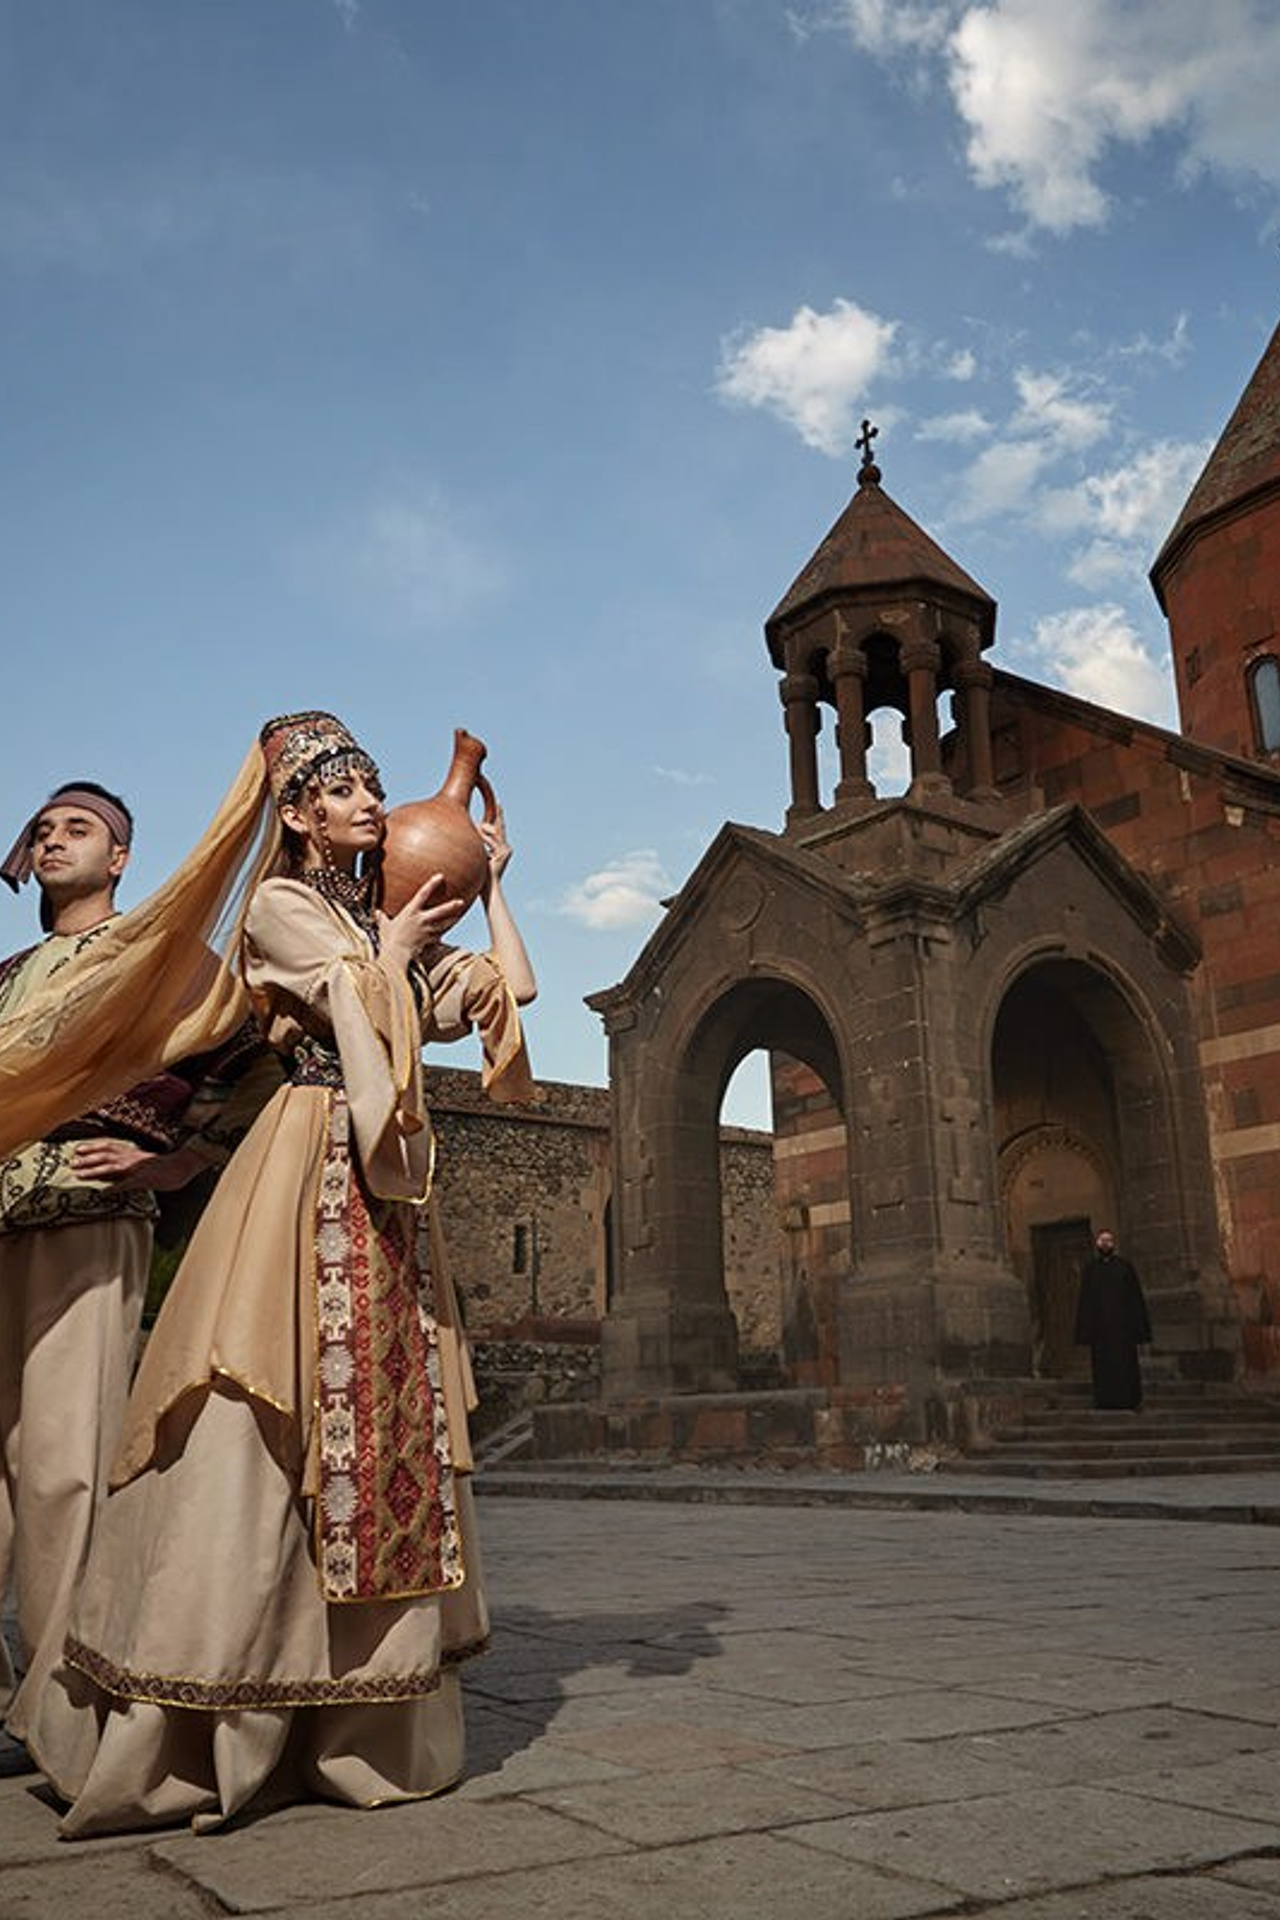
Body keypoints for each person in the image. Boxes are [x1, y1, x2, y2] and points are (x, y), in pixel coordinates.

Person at [22, 711, 536, 1837]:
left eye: (372, 786)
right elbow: (357, 1007)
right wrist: (392, 963)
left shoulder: (373, 911)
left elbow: (500, 996)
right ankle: (219, 1717)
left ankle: (354, 1722)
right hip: (306, 1162)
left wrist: (491, 887)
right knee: (264, 1422)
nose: (368, 801)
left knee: (376, 1425)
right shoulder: (281, 906)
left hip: (385, 1184)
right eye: (343, 788)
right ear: (297, 813)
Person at [0, 784, 264, 1763]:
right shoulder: (10, 976)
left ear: (119, 860)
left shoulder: (162, 963)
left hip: (88, 1212)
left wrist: (178, 1161)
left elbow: (267, 1055)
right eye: (42, 830)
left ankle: (51, 1707)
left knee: (64, 1463)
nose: (53, 838)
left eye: (79, 829)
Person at [1074, 1228, 1152, 1411]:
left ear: (1113, 1244)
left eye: (1109, 1240)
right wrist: (1085, 1330)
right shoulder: (1091, 1269)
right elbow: (1086, 1301)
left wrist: (1139, 1328)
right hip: (1100, 1330)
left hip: (1123, 1329)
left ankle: (1131, 1400)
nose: (1105, 1244)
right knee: (1103, 1367)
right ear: (1097, 1244)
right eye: (1102, 1241)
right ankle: (1104, 1400)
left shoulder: (1125, 1267)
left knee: (1127, 1365)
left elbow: (1135, 1298)